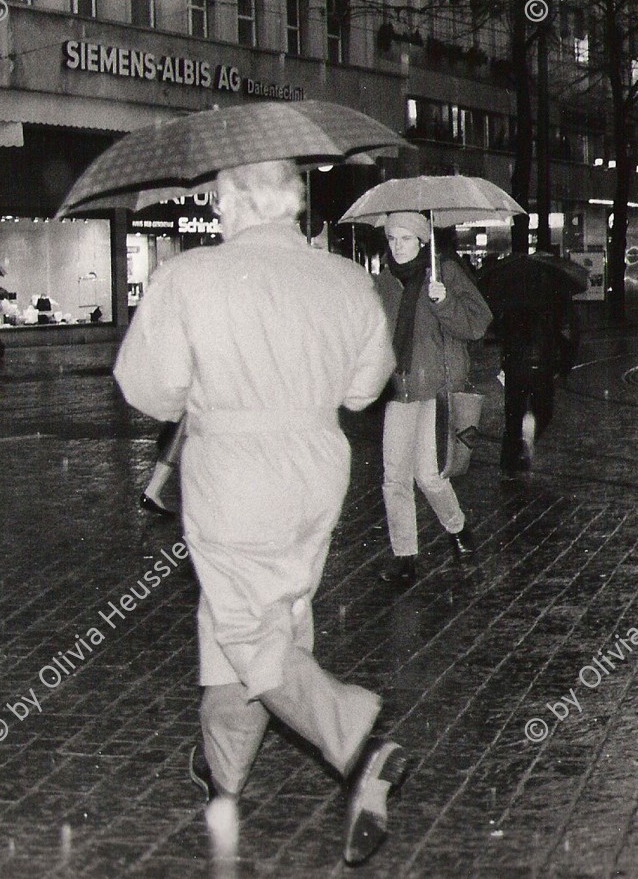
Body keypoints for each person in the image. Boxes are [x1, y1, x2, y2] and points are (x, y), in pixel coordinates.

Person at [114, 160, 409, 868]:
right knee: (260, 614)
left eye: (219, 200)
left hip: (234, 472)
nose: (216, 213)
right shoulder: (344, 278)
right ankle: (223, 768)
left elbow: (147, 390)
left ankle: (361, 747)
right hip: (317, 469)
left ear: (242, 202)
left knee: (247, 622)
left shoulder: (190, 277)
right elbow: (367, 388)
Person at [373, 213, 492, 584]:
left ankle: (458, 529)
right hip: (399, 390)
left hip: (437, 389)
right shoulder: (384, 282)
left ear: (423, 241)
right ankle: (404, 557)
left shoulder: (445, 273)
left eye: (406, 239)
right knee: (394, 477)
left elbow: (477, 324)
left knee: (428, 475)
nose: (397, 246)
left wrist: (443, 303)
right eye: (392, 238)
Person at [495, 255, 580, 479]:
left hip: (515, 364)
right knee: (543, 408)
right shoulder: (557, 295)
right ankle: (529, 435)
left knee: (513, 412)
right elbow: (568, 332)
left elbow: (500, 332)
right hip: (543, 363)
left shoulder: (509, 296)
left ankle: (510, 462)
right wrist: (565, 365)